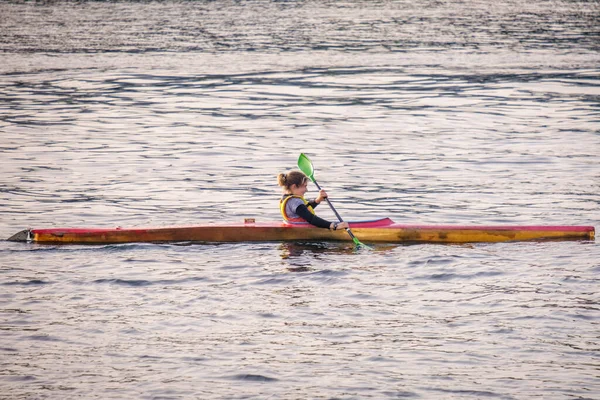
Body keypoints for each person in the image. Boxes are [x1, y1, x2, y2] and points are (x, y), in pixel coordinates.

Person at [277, 171, 349, 231]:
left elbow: (304, 211)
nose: (306, 190)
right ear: (294, 186)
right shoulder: (295, 202)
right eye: (304, 186)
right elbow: (311, 218)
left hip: (293, 227)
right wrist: (334, 226)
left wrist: (317, 200)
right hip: (301, 232)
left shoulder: (286, 198)